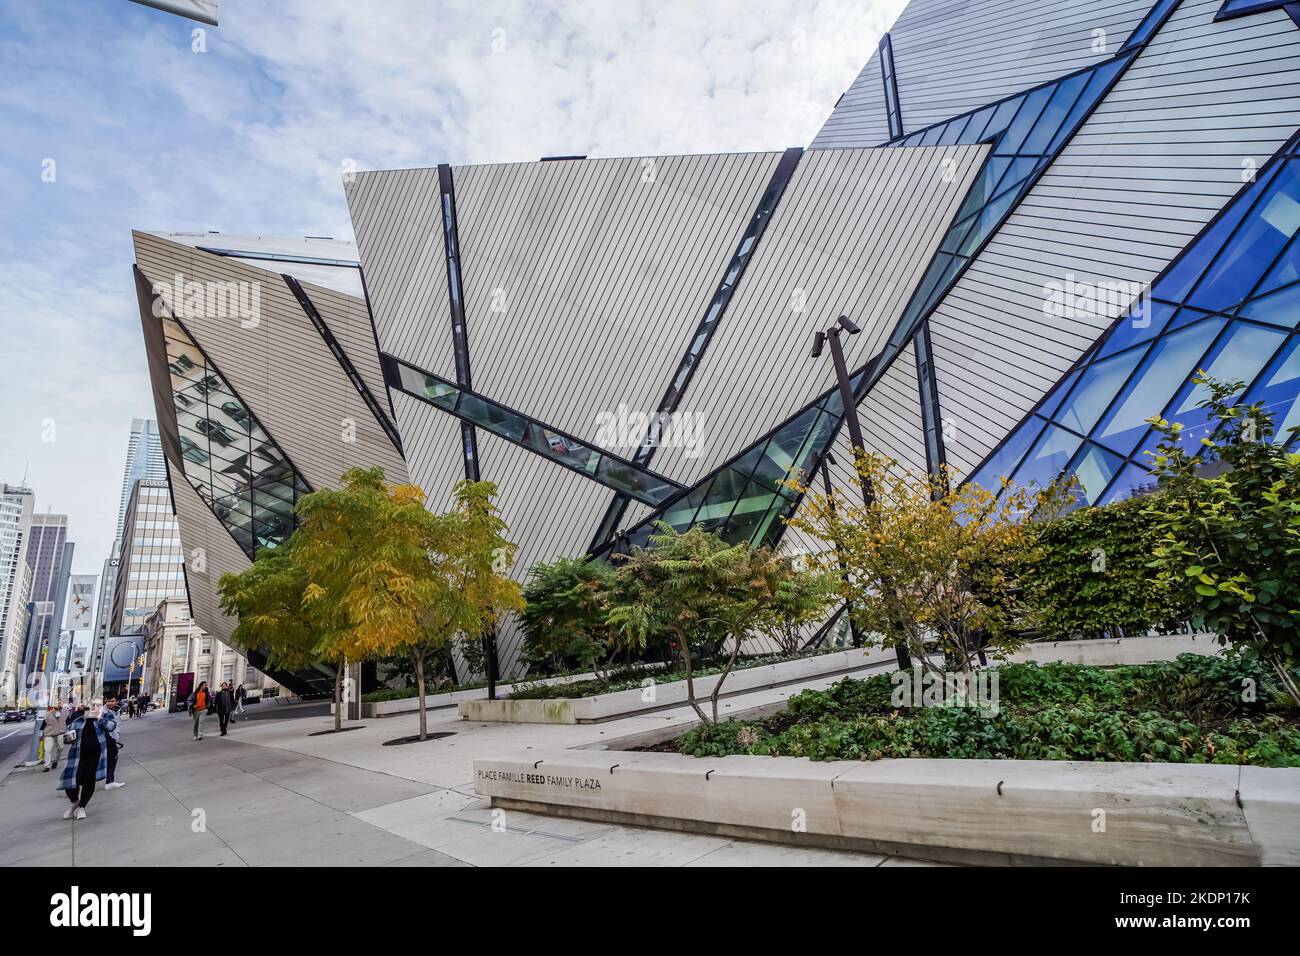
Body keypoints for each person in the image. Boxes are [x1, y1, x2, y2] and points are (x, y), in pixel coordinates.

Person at [58, 699, 108, 819]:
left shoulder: (102, 719)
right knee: (70, 784)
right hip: (77, 758)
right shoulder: (77, 721)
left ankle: (82, 807)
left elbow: (111, 726)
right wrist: (69, 739)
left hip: (95, 757)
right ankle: (75, 802)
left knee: (88, 782)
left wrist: (100, 718)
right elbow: (67, 738)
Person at [102, 695, 124, 790]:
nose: (110, 703)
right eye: (108, 701)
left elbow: (117, 723)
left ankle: (110, 781)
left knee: (111, 759)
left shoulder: (117, 711)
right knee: (112, 759)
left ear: (117, 702)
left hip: (113, 737)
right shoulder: (103, 712)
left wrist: (117, 734)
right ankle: (109, 782)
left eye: (112, 701)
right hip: (107, 738)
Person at [41, 703, 67, 772]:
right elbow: (43, 725)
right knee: (47, 750)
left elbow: (68, 722)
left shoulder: (64, 713)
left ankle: (55, 760)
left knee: (61, 748)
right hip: (49, 734)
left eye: (59, 704)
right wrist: (40, 734)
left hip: (59, 733)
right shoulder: (48, 714)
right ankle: (47, 766)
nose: (58, 705)